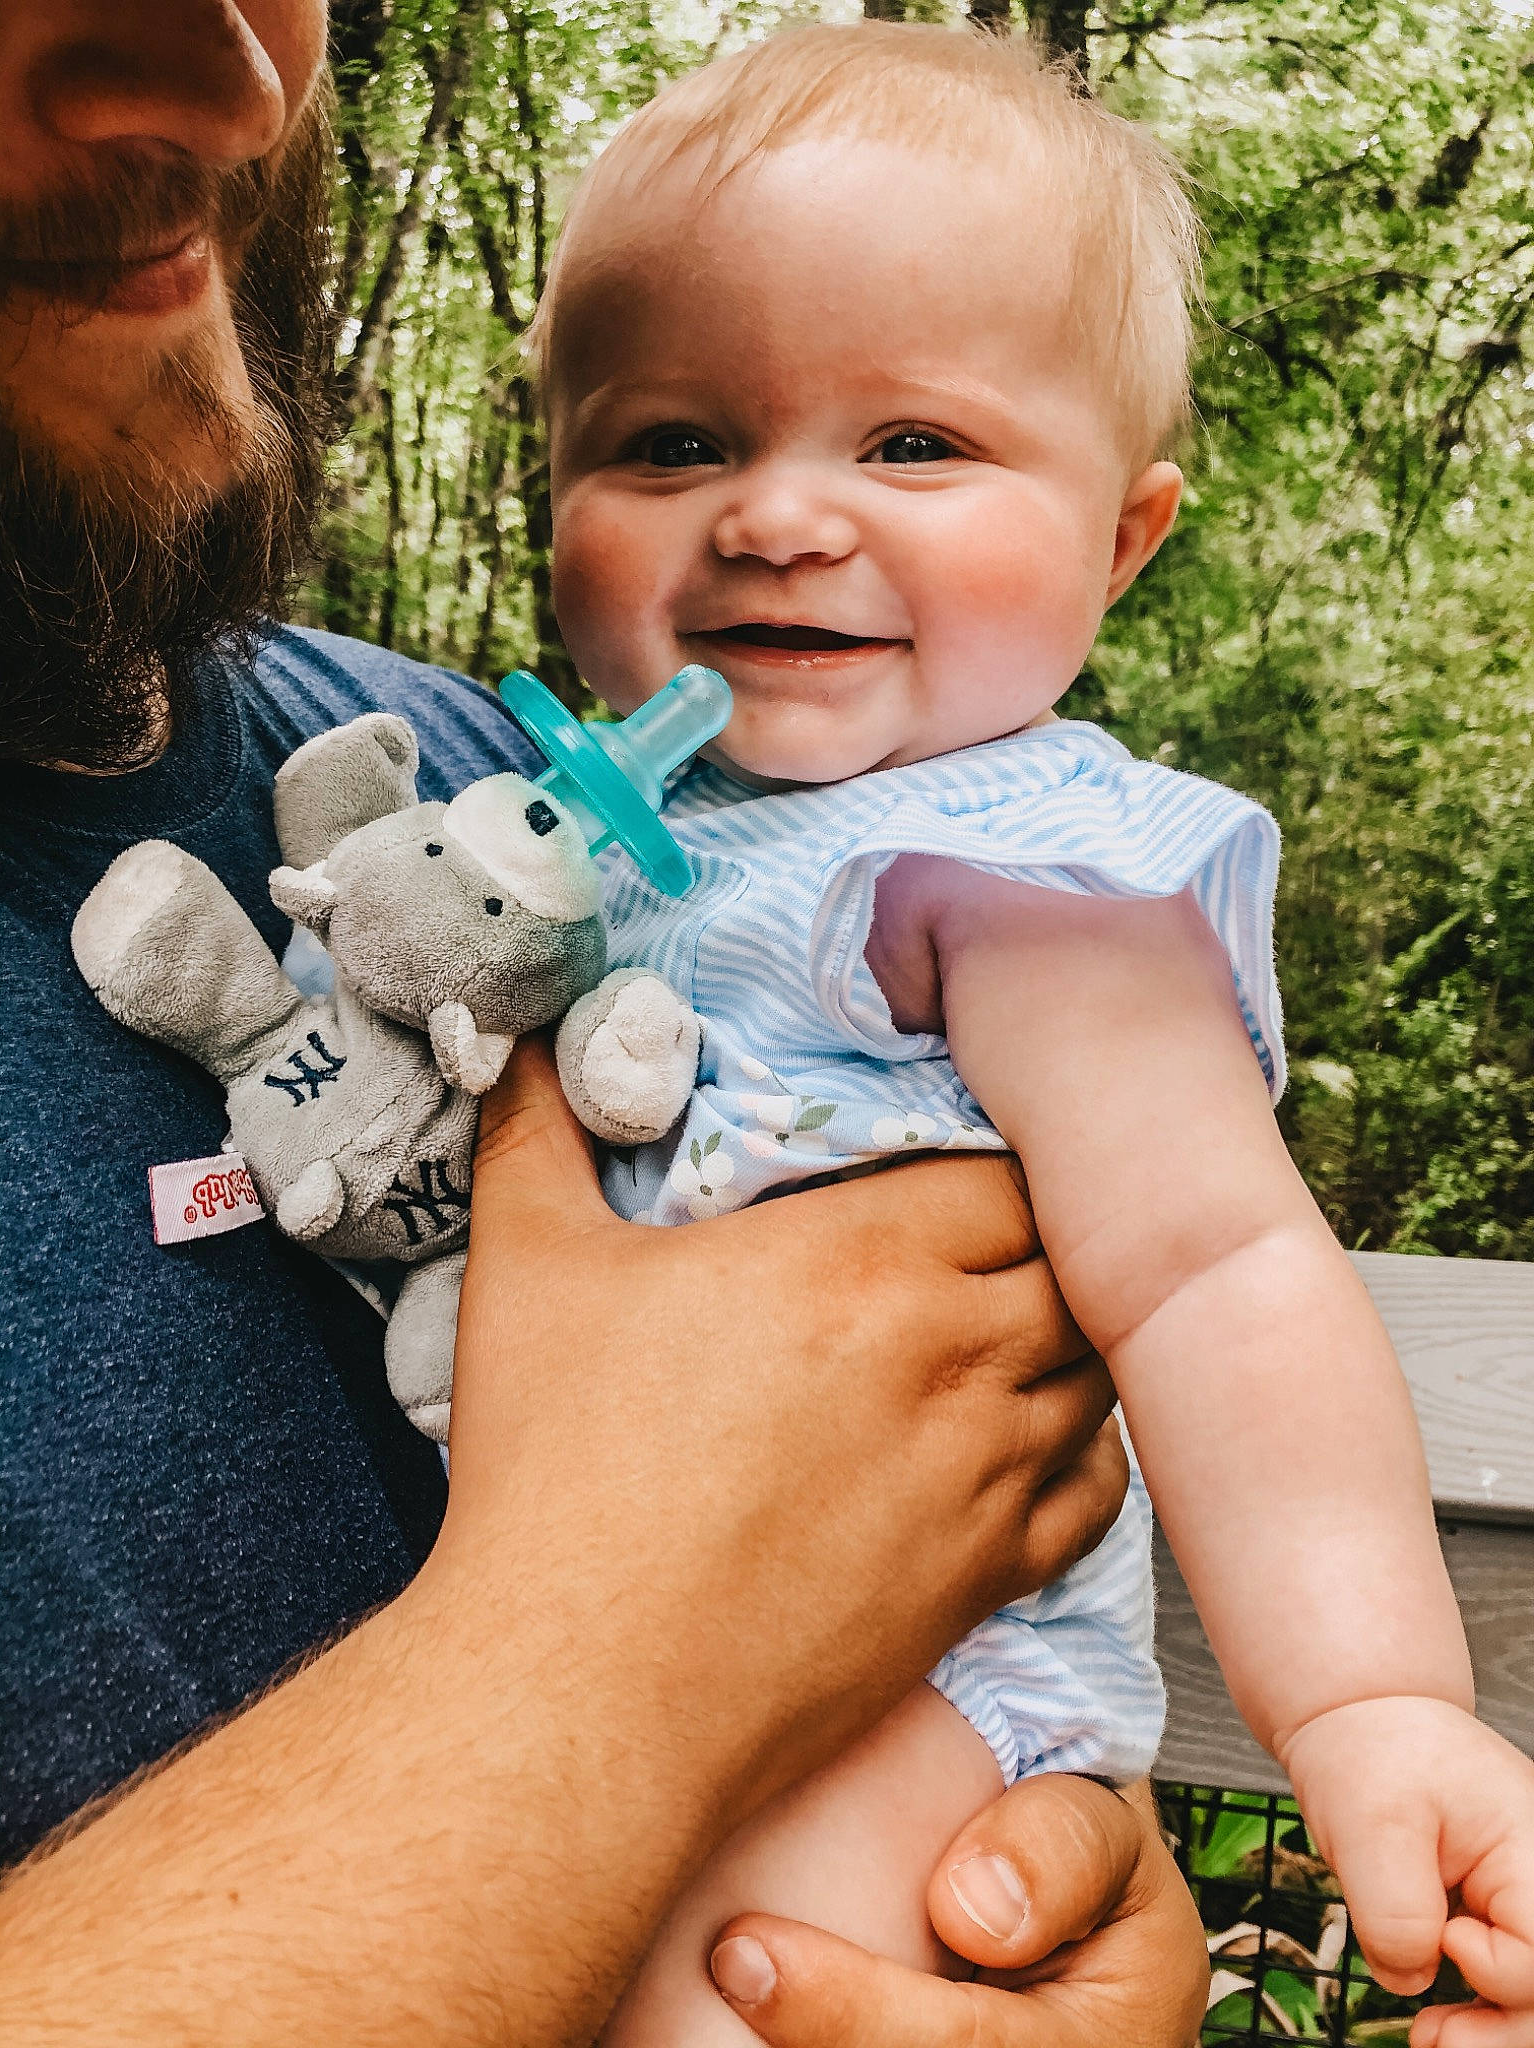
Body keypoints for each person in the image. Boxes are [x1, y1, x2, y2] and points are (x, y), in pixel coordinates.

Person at [0, 5, 1211, 2044]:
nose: (228, 78)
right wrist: (604, 1653)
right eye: (672, 442)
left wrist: (1023, 1877)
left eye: (915, 441)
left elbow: (949, 1477)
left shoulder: (479, 818)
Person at [525, 23, 1534, 2047]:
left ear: (1125, 537)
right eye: (671, 444)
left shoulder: (1008, 868)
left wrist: (1371, 1700)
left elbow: (1221, 1276)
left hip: (899, 1684)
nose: (779, 516)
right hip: (571, 1661)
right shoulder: (574, 834)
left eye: (913, 446)